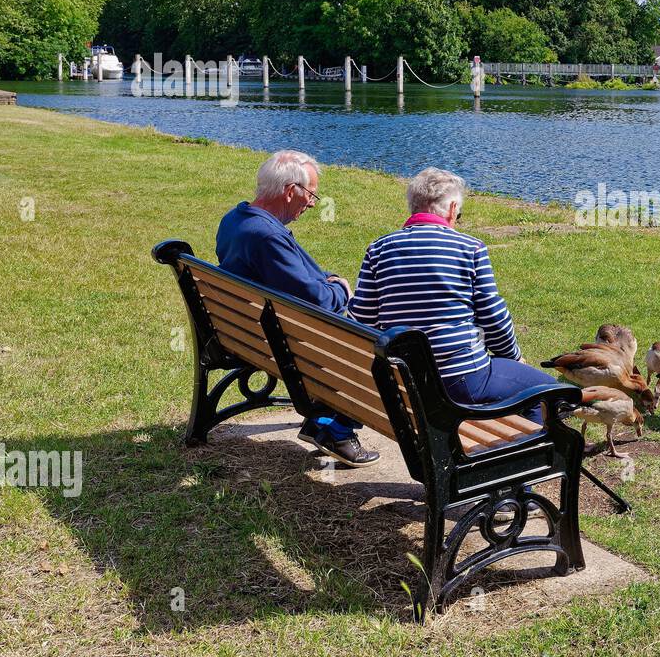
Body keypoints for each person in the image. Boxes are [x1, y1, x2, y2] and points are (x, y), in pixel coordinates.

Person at [349, 167, 554, 420]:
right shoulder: (470, 248)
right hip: (462, 380)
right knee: (549, 393)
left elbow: (361, 317)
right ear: (452, 208)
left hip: (403, 379)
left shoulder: (378, 249)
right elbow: (493, 318)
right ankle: (526, 456)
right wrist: (513, 357)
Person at [216, 150, 379, 467]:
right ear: (291, 191)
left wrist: (323, 284)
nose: (313, 203)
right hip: (279, 343)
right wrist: (341, 289)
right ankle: (335, 431)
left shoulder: (234, 220)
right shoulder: (266, 236)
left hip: (243, 332)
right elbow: (316, 300)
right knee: (370, 354)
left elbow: (295, 284)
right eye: (312, 194)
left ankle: (325, 420)